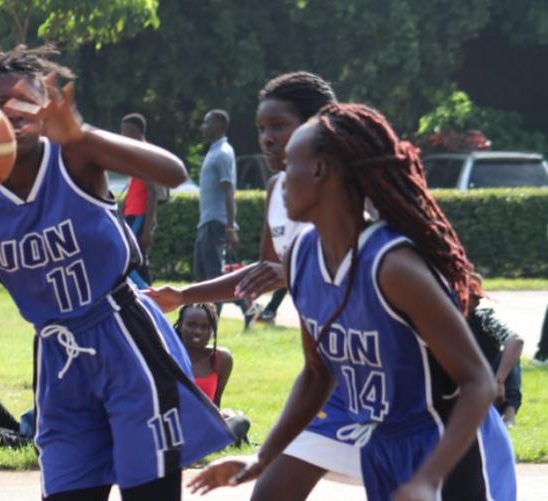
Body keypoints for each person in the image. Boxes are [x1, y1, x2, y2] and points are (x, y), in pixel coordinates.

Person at [0, 45, 233, 501]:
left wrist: (82, 134)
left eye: (25, 101)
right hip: (58, 357)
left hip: (125, 339)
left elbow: (174, 171)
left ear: (45, 106)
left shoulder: (73, 154)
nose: (14, 113)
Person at [189, 103, 517, 501]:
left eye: (290, 163)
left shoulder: (393, 266)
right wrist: (262, 458)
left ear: (321, 171)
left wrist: (428, 478)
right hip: (380, 445)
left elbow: (478, 381)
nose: (281, 176)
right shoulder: (301, 257)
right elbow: (316, 373)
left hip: (445, 448)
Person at [150, 72, 364, 500]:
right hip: (332, 377)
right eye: (261, 129)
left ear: (318, 124)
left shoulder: (359, 189)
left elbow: (376, 268)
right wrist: (185, 295)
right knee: (270, 492)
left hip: (393, 381)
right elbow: (266, 270)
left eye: (279, 126)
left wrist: (296, 270)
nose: (267, 138)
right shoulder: (279, 191)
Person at [194, 108, 257, 326]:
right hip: (206, 221)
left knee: (213, 277)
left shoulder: (223, 152)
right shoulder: (213, 151)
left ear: (219, 126)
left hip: (216, 222)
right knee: (202, 273)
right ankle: (246, 306)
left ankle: (209, 324)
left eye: (207, 123)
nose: (203, 127)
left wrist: (230, 227)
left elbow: (228, 192)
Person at [173, 303, 250, 445]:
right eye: (191, 325)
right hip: (174, 429)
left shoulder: (221, 358)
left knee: (240, 420)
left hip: (205, 429)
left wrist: (224, 416)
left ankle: (218, 441)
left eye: (205, 327)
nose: (198, 331)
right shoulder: (167, 355)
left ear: (212, 331)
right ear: (180, 325)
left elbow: (215, 402)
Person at [467, 273, 523, 427]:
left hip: (489, 378)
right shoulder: (442, 318)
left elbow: (516, 341)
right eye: (474, 298)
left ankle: (509, 416)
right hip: (462, 380)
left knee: (510, 356)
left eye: (478, 299)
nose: (477, 304)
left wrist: (499, 381)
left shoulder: (484, 318)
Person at [120, 113, 158, 287]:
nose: (122, 136)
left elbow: (153, 193)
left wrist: (148, 229)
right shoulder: (135, 155)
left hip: (139, 216)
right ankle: (145, 295)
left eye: (125, 132)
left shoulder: (145, 154)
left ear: (134, 131)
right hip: (131, 215)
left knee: (129, 259)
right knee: (133, 259)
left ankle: (148, 295)